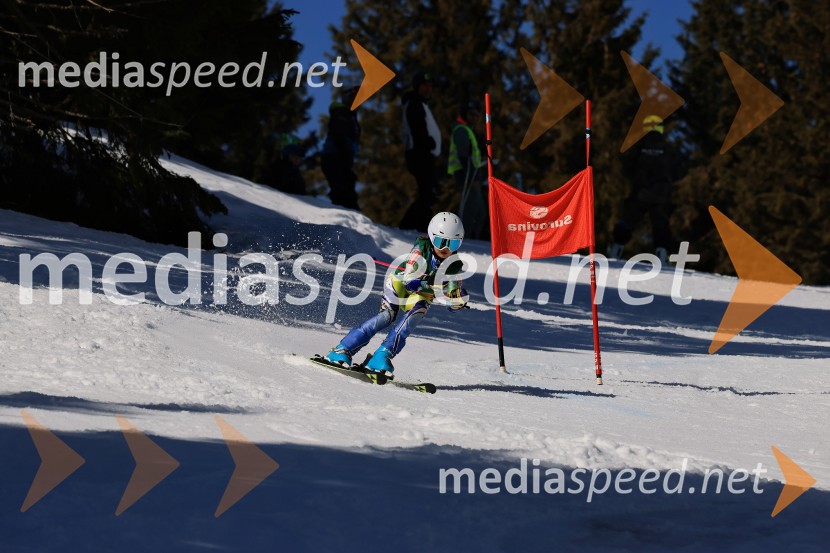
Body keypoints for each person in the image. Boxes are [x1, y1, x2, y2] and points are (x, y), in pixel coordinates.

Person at [324, 212, 469, 374]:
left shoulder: (454, 264)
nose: (445, 249)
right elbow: (409, 278)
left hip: (422, 295)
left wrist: (456, 300)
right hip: (399, 284)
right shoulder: (421, 247)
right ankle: (342, 350)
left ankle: (382, 356)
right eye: (440, 242)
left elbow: (452, 292)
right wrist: (422, 279)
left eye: (453, 244)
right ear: (431, 236)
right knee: (386, 316)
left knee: (413, 316)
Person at [608, 115, 681, 263]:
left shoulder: (638, 146)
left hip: (640, 192)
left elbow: (626, 167)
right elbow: (679, 170)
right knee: (661, 225)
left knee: (628, 220)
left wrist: (636, 180)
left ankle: (616, 248)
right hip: (661, 194)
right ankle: (662, 255)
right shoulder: (668, 147)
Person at [399, 71, 441, 231]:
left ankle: (419, 225)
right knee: (428, 191)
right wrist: (427, 142)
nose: (428, 89)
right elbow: (417, 125)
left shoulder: (420, 103)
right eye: (425, 85)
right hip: (419, 152)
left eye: (430, 86)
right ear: (417, 87)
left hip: (424, 152)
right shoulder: (414, 103)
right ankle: (409, 226)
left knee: (429, 191)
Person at [448, 100, 486, 239]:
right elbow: (463, 155)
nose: (474, 118)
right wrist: (471, 178)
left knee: (479, 212)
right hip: (466, 175)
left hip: (472, 175)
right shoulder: (461, 129)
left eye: (477, 115)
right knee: (472, 210)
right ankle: (466, 239)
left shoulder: (469, 130)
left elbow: (473, 156)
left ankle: (471, 238)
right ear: (465, 114)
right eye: (471, 114)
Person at [322, 86, 361, 209]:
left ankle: (346, 214)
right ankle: (341, 216)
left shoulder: (351, 116)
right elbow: (339, 136)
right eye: (354, 97)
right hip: (335, 157)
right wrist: (345, 154)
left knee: (345, 189)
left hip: (341, 159)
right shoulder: (342, 113)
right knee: (342, 191)